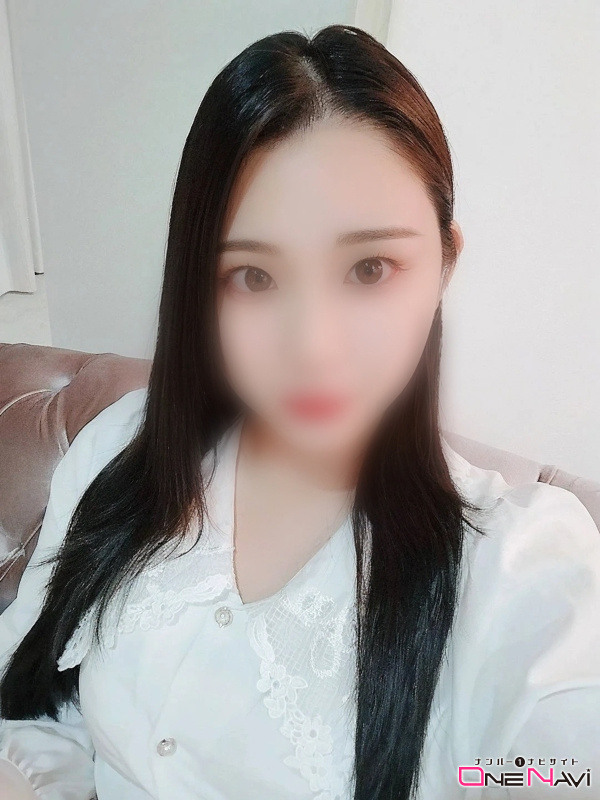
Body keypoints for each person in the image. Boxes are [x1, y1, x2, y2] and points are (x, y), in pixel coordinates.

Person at [0, 24, 599, 800]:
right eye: (253, 277)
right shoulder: (121, 450)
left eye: (369, 269)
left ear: (445, 263)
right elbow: (47, 710)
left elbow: (563, 768)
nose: (313, 346)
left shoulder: (523, 571)